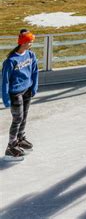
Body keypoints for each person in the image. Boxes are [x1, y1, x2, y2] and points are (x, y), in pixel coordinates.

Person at [2, 29, 38, 161]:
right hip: (15, 93)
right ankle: (11, 146)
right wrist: (6, 98)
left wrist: (34, 86)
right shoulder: (11, 61)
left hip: (27, 90)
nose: (32, 43)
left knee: (24, 117)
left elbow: (35, 72)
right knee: (17, 118)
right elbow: (5, 80)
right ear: (23, 43)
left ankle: (20, 138)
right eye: (30, 41)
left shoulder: (30, 55)